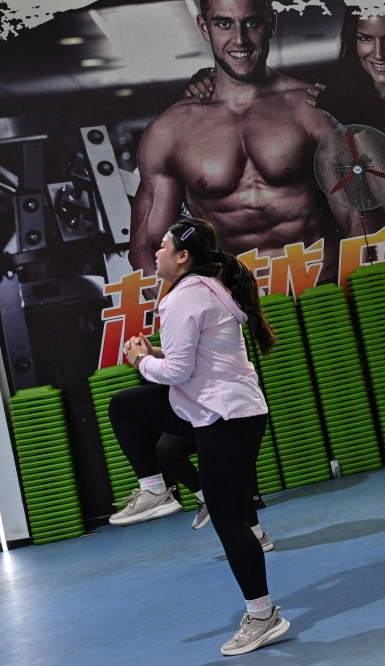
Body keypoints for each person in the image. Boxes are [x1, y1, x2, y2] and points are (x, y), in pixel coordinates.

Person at [108, 218, 289, 656]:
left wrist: (138, 359)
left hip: (224, 416)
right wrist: (155, 353)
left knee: (230, 522)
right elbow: (191, 359)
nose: (157, 253)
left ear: (183, 256)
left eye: (164, 246)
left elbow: (178, 373)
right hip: (218, 411)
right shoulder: (206, 289)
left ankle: (263, 616)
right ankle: (156, 488)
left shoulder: (185, 299)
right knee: (127, 408)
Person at [130, 0, 372, 286]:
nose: (240, 39)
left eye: (252, 23)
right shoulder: (169, 132)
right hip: (240, 306)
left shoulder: (310, 110)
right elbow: (147, 247)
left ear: (270, 23)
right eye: (223, 23)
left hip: (324, 294)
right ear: (204, 28)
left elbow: (360, 222)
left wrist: (357, 299)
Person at [183, 8, 385, 229]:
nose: (378, 53)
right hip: (348, 259)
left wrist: (354, 129)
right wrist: (213, 81)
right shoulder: (344, 97)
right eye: (365, 39)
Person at [108, 431, 274, 552]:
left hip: (228, 411)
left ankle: (256, 536)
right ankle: (205, 497)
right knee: (167, 450)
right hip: (197, 411)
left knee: (227, 469)